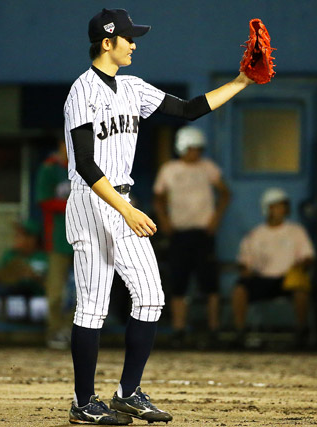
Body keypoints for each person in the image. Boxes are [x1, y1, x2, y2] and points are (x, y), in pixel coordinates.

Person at [63, 8, 258, 425]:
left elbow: (189, 110)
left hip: (122, 202)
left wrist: (242, 81)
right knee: (93, 306)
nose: (135, 44)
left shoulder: (132, 87)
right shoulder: (82, 91)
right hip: (92, 200)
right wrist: (125, 208)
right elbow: (84, 164)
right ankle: (83, 402)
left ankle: (128, 392)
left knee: (151, 296)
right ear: (107, 42)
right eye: (129, 38)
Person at [153, 126, 231, 348]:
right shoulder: (169, 169)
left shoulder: (208, 168)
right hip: (179, 233)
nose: (195, 153)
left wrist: (215, 219)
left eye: (198, 149)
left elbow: (225, 192)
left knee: (210, 282)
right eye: (191, 149)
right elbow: (158, 198)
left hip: (203, 233)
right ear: (181, 148)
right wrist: (165, 221)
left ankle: (214, 329)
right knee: (179, 282)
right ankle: (179, 329)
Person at [231, 188, 315, 348]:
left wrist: (302, 264)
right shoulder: (255, 234)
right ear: (268, 208)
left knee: (301, 291)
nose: (282, 209)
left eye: (283, 206)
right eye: (277, 206)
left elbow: (308, 256)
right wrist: (245, 269)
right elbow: (244, 260)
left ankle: (301, 332)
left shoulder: (296, 231)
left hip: (287, 278)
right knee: (240, 289)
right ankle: (240, 332)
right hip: (262, 278)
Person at [35, 134, 75, 349]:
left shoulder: (86, 167)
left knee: (85, 292)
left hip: (84, 240)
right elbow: (44, 200)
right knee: (55, 293)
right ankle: (54, 331)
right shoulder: (50, 168)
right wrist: (73, 206)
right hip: (58, 239)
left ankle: (70, 330)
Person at [0, 219, 49, 321]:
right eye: (17, 235)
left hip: (38, 298)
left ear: (33, 239)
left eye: (21, 235)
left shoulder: (44, 257)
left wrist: (34, 277)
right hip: (13, 298)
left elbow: (52, 285)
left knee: (39, 306)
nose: (16, 238)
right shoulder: (10, 255)